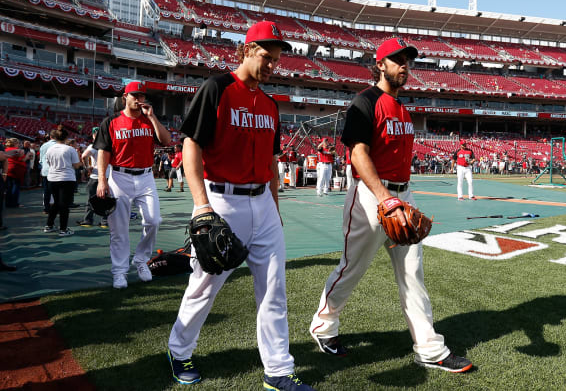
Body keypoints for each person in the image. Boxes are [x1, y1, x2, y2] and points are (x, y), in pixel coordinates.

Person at [309, 37, 473, 373]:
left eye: (407, 61)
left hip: (402, 193)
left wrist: (403, 197)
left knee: (413, 272)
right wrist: (387, 198)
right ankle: (323, 325)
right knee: (352, 268)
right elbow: (358, 154)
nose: (404, 66)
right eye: (397, 60)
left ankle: (429, 348)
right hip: (372, 196)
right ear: (380, 64)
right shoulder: (365, 101)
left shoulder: (402, 109)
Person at [166, 21, 314, 390]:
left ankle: (278, 370)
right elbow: (191, 145)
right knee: (204, 285)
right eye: (266, 57)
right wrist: (201, 205)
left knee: (274, 289)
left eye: (277, 60)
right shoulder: (216, 88)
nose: (272, 66)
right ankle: (179, 350)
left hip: (263, 203)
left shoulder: (269, 104)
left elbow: (271, 164)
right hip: (222, 200)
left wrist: (275, 209)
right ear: (247, 49)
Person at [94, 81, 171, 289]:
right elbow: (103, 152)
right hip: (119, 176)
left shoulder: (149, 120)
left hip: (146, 176)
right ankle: (119, 272)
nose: (139, 99)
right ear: (124, 97)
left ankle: (140, 260)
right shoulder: (111, 122)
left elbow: (167, 140)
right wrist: (102, 180)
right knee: (119, 228)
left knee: (154, 221)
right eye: (134, 95)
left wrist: (153, 117)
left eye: (142, 95)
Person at [43, 128, 82, 236]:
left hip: (52, 178)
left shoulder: (50, 149)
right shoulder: (70, 149)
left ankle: (49, 225)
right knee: (64, 205)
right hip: (67, 178)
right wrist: (80, 164)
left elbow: (49, 163)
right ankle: (63, 229)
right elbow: (76, 165)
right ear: (66, 137)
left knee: (56, 203)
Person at [77, 127, 109, 228]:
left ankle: (88, 220)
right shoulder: (109, 145)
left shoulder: (93, 146)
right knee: (105, 198)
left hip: (96, 175)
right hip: (109, 175)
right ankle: (105, 221)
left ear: (93, 135)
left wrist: (87, 167)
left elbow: (84, 156)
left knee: (91, 198)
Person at [4, 138, 31, 208]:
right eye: (18, 143)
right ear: (15, 143)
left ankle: (8, 203)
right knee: (16, 186)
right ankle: (14, 203)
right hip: (17, 169)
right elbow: (23, 160)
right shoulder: (19, 150)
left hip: (7, 169)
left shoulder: (5, 149)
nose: (19, 144)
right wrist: (27, 155)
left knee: (9, 187)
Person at [39, 133, 58, 213]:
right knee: (57, 191)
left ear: (50, 137)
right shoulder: (59, 145)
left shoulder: (43, 145)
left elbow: (40, 160)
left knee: (46, 190)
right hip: (56, 170)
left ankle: (46, 208)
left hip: (46, 170)